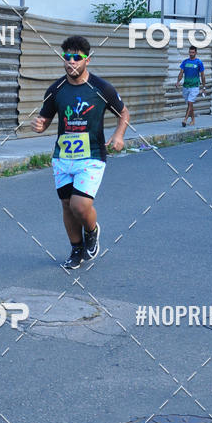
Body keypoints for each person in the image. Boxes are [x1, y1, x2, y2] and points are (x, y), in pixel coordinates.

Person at [31, 35, 129, 269]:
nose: (71, 62)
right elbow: (45, 119)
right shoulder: (56, 89)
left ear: (87, 60)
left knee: (79, 206)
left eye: (77, 58)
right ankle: (76, 250)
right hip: (63, 157)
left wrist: (118, 135)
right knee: (66, 205)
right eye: (67, 57)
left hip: (92, 155)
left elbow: (123, 113)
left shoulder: (101, 88)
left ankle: (92, 231)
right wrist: (39, 125)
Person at [176, 45, 206, 127]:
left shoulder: (199, 62)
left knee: (190, 102)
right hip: (186, 86)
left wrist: (204, 87)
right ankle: (193, 120)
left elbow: (203, 75)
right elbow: (181, 73)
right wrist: (178, 81)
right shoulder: (185, 62)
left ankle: (185, 119)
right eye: (190, 52)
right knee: (190, 104)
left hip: (194, 86)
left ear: (196, 53)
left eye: (193, 52)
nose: (191, 54)